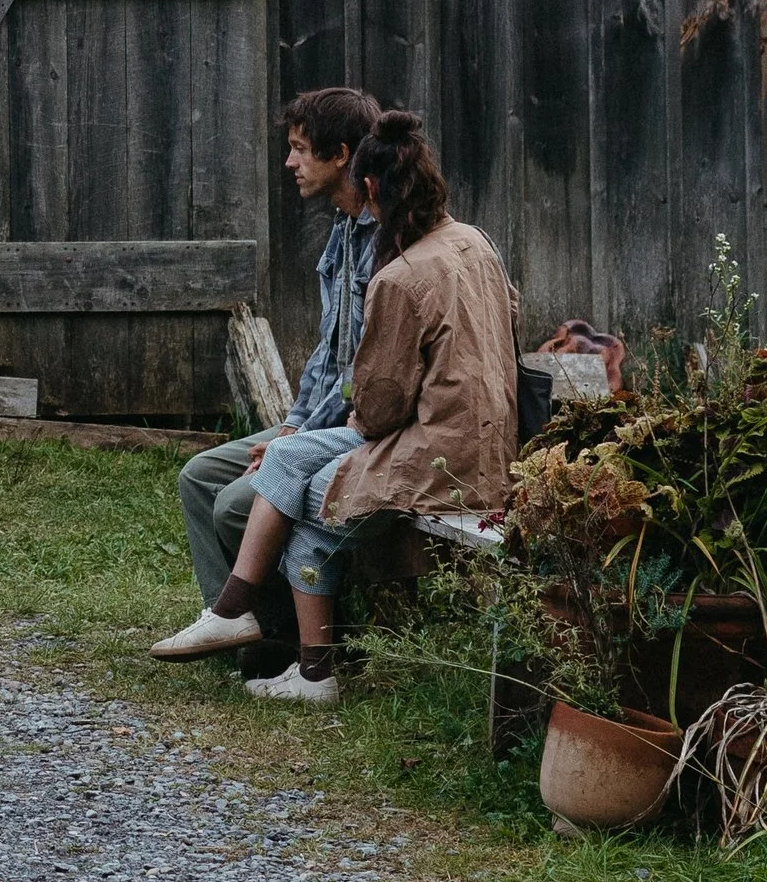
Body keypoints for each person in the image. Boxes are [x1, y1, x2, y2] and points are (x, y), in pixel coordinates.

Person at [149, 110, 518, 706]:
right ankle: (282, 649)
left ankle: (267, 635)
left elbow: (379, 404)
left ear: (372, 186)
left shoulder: (399, 275)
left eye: (299, 149)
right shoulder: (474, 242)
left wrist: (352, 421)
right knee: (302, 472)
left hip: (435, 448)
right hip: (481, 439)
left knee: (308, 482)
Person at [171, 88, 379, 670]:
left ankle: (276, 645)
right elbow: (328, 354)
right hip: (316, 424)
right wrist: (289, 425)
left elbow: (367, 375)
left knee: (238, 502)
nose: (289, 163)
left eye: (299, 150)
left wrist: (296, 442)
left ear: (341, 155)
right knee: (199, 477)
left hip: (361, 431)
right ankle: (227, 635)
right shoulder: (342, 231)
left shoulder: (384, 242)